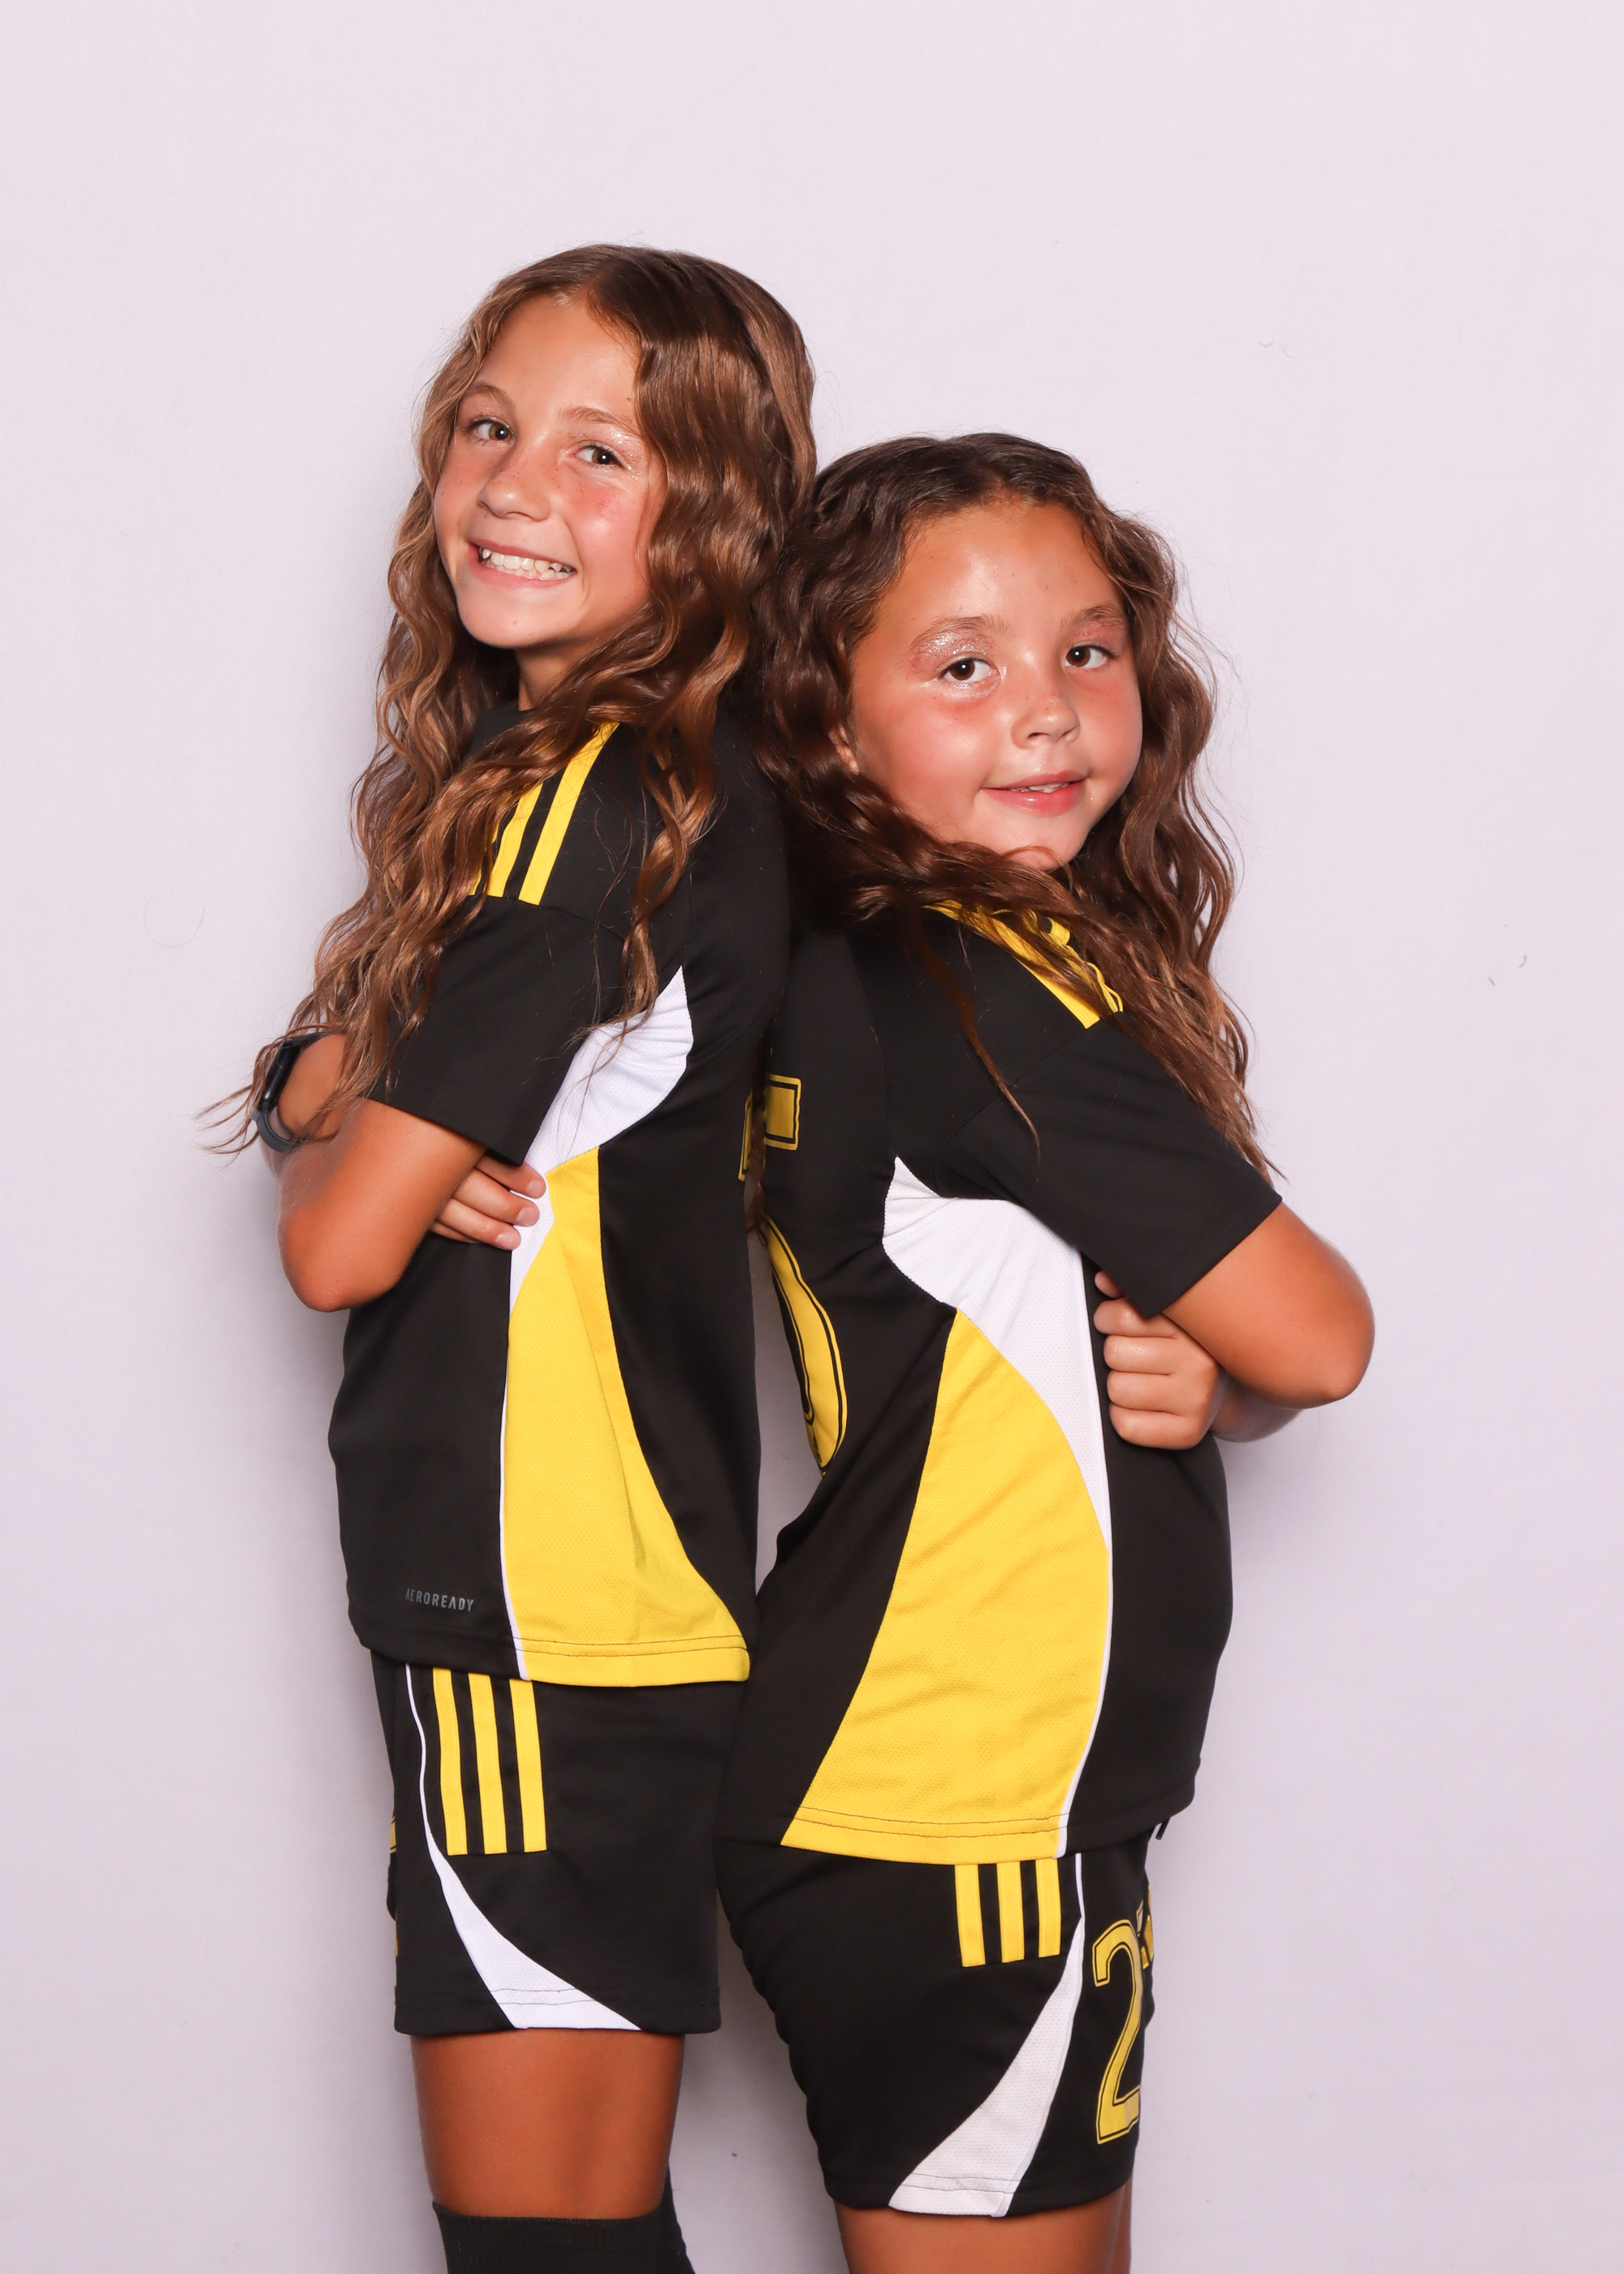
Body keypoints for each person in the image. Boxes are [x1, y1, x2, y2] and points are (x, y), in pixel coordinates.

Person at [713, 434, 1376, 2274]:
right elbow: (1323, 1329)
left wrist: (1216, 1381)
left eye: (1087, 649)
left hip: (965, 1796)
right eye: (963, 664)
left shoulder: (887, 958)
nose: (1047, 709)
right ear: (826, 723)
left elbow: (1217, 1346)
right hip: (953, 1808)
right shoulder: (985, 988)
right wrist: (1255, 1365)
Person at [239, 246, 815, 2274]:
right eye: (490, 425)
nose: (510, 484)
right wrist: (331, 1091)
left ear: (714, 510)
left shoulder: (585, 804)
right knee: (583, 2227)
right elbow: (337, 1092)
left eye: (600, 453)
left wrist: (341, 1130)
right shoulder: (663, 781)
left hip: (530, 1598)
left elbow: (333, 1248)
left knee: (539, 2243)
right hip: (617, 1592)